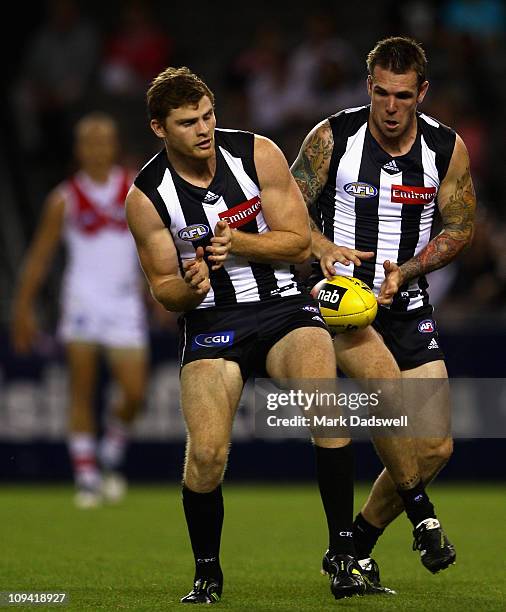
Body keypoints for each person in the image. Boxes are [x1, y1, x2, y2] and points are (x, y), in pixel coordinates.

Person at [126, 66, 367, 604]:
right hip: (213, 323)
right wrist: (192, 285)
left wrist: (237, 246)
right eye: (188, 122)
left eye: (209, 115)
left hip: (283, 309)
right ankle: (207, 572)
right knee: (208, 454)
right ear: (159, 129)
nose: (204, 129)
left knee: (326, 407)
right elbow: (166, 290)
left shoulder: (257, 153)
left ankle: (343, 554)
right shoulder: (146, 196)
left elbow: (299, 242)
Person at [291, 36, 475, 588]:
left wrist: (409, 271)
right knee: (390, 401)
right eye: (380, 94)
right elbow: (287, 214)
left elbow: (460, 226)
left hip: (407, 303)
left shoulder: (446, 149)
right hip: (341, 302)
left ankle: (358, 546)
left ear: (422, 92)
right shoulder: (332, 138)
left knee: (436, 446)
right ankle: (423, 520)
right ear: (367, 86)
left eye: (402, 96)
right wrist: (323, 250)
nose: (390, 108)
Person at [11, 112, 149, 508]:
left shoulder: (135, 191)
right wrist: (23, 307)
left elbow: (156, 242)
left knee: (135, 394)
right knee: (82, 391)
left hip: (124, 303)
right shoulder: (64, 198)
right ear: (79, 149)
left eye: (104, 140)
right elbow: (39, 256)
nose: (97, 148)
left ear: (114, 145)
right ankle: (87, 475)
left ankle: (112, 445)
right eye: (89, 141)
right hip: (82, 302)